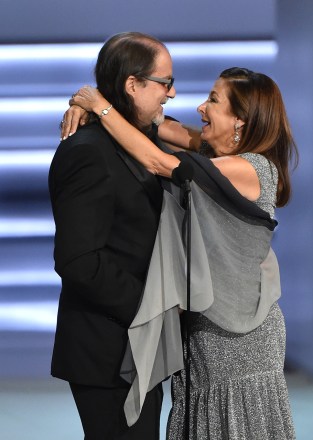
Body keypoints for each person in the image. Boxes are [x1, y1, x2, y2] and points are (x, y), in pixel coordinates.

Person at [64, 67, 298, 439]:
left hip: (241, 339)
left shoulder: (251, 168)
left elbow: (159, 162)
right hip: (203, 332)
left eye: (214, 101)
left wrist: (100, 106)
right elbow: (156, 124)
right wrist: (91, 104)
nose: (201, 107)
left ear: (240, 120)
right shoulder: (213, 156)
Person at [49, 31, 177, 440]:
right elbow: (79, 261)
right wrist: (149, 307)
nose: (171, 94)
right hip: (108, 348)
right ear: (132, 84)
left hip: (139, 344)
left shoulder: (141, 141)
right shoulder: (89, 150)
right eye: (165, 82)